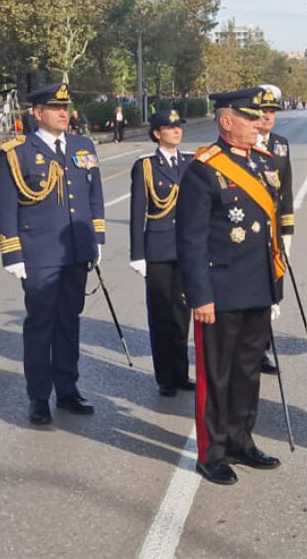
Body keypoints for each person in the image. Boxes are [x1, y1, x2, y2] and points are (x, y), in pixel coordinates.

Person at [178, 88, 287, 486]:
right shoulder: (205, 168)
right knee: (216, 376)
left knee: (247, 373)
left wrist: (274, 288)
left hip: (256, 286)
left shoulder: (263, 163)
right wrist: (200, 295)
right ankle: (212, 451)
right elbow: (191, 239)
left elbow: (270, 230)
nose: (259, 123)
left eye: (260, 117)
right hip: (220, 292)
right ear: (226, 121)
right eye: (250, 117)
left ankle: (242, 440)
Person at [0, 83, 106, 426]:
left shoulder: (82, 146)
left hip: (75, 250)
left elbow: (93, 196)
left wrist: (96, 238)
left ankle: (68, 389)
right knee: (41, 325)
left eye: (65, 107)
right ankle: (39, 397)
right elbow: (5, 205)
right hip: (39, 253)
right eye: (55, 108)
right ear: (37, 113)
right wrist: (12, 254)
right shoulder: (17, 152)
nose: (63, 113)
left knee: (69, 322)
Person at [129, 109, 196, 398]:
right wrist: (137, 254)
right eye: (170, 128)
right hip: (157, 249)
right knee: (161, 315)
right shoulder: (145, 166)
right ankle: (165, 377)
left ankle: (181, 373)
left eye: (178, 126)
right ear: (157, 133)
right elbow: (137, 213)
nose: (177, 131)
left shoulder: (191, 162)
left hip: (186, 249)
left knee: (182, 314)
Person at [255, 84, 293, 375]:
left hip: (275, 231)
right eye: (263, 111)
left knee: (273, 287)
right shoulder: (246, 144)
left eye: (272, 112)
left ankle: (264, 346)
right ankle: (255, 347)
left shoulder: (281, 145)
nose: (268, 117)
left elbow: (287, 190)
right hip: (252, 229)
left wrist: (288, 231)